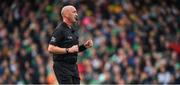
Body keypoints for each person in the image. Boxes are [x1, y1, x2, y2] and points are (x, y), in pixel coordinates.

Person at [47, 5, 93, 84]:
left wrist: (84, 46)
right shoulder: (60, 30)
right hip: (62, 66)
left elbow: (74, 49)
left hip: (73, 66)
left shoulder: (72, 30)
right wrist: (67, 50)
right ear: (66, 15)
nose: (76, 14)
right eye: (74, 12)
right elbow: (50, 48)